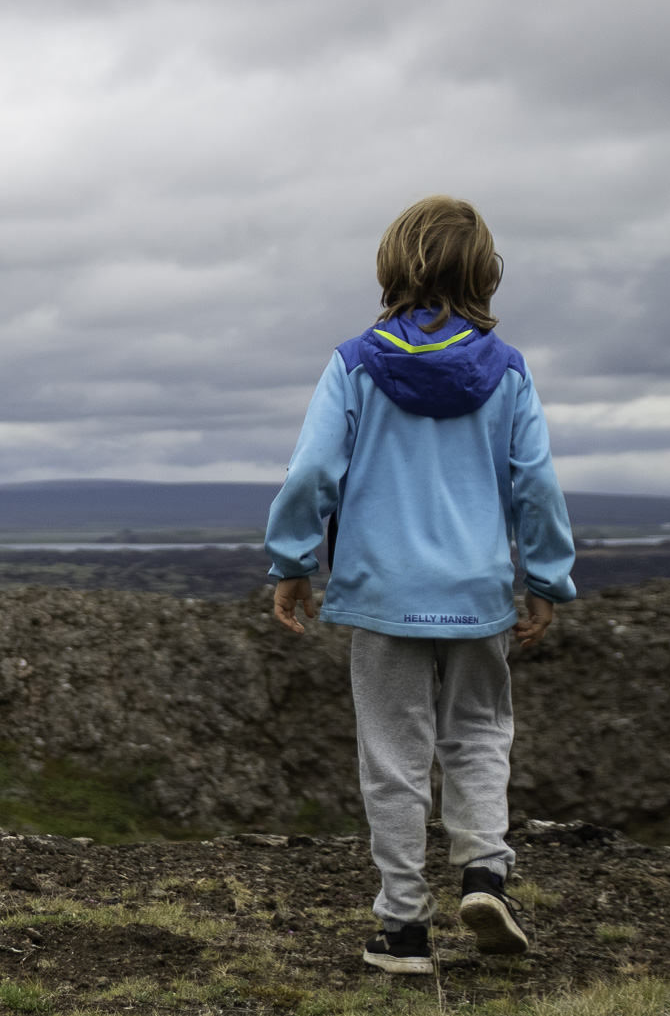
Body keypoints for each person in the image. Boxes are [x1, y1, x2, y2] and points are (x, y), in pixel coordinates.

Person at [264, 195, 576, 974]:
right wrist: (545, 578)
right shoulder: (507, 370)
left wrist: (294, 560)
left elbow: (310, 470)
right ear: (484, 273)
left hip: (381, 591)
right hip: (477, 594)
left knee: (393, 755)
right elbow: (535, 483)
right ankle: (483, 872)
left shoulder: (354, 363)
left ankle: (403, 926)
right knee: (477, 735)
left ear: (392, 264)